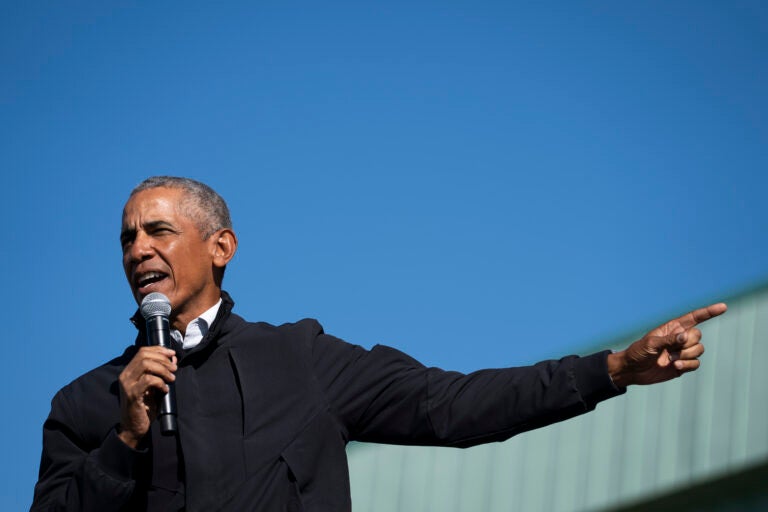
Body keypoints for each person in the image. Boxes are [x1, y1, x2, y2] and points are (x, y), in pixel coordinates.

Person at [32, 176, 727, 512]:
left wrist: (611, 370)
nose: (138, 250)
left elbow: (454, 405)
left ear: (221, 248)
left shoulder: (298, 358)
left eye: (158, 231)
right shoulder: (90, 401)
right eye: (127, 237)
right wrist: (123, 443)